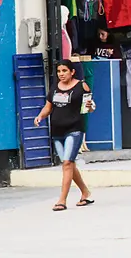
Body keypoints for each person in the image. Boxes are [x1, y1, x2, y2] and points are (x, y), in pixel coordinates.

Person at [33, 59, 94, 212]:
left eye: (64, 71)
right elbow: (48, 107)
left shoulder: (82, 86)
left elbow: (90, 106)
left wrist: (90, 106)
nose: (61, 74)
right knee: (69, 164)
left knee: (67, 164)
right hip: (57, 131)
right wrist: (40, 116)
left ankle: (62, 200)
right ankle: (85, 193)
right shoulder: (54, 88)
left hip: (74, 129)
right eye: (59, 71)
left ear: (72, 72)